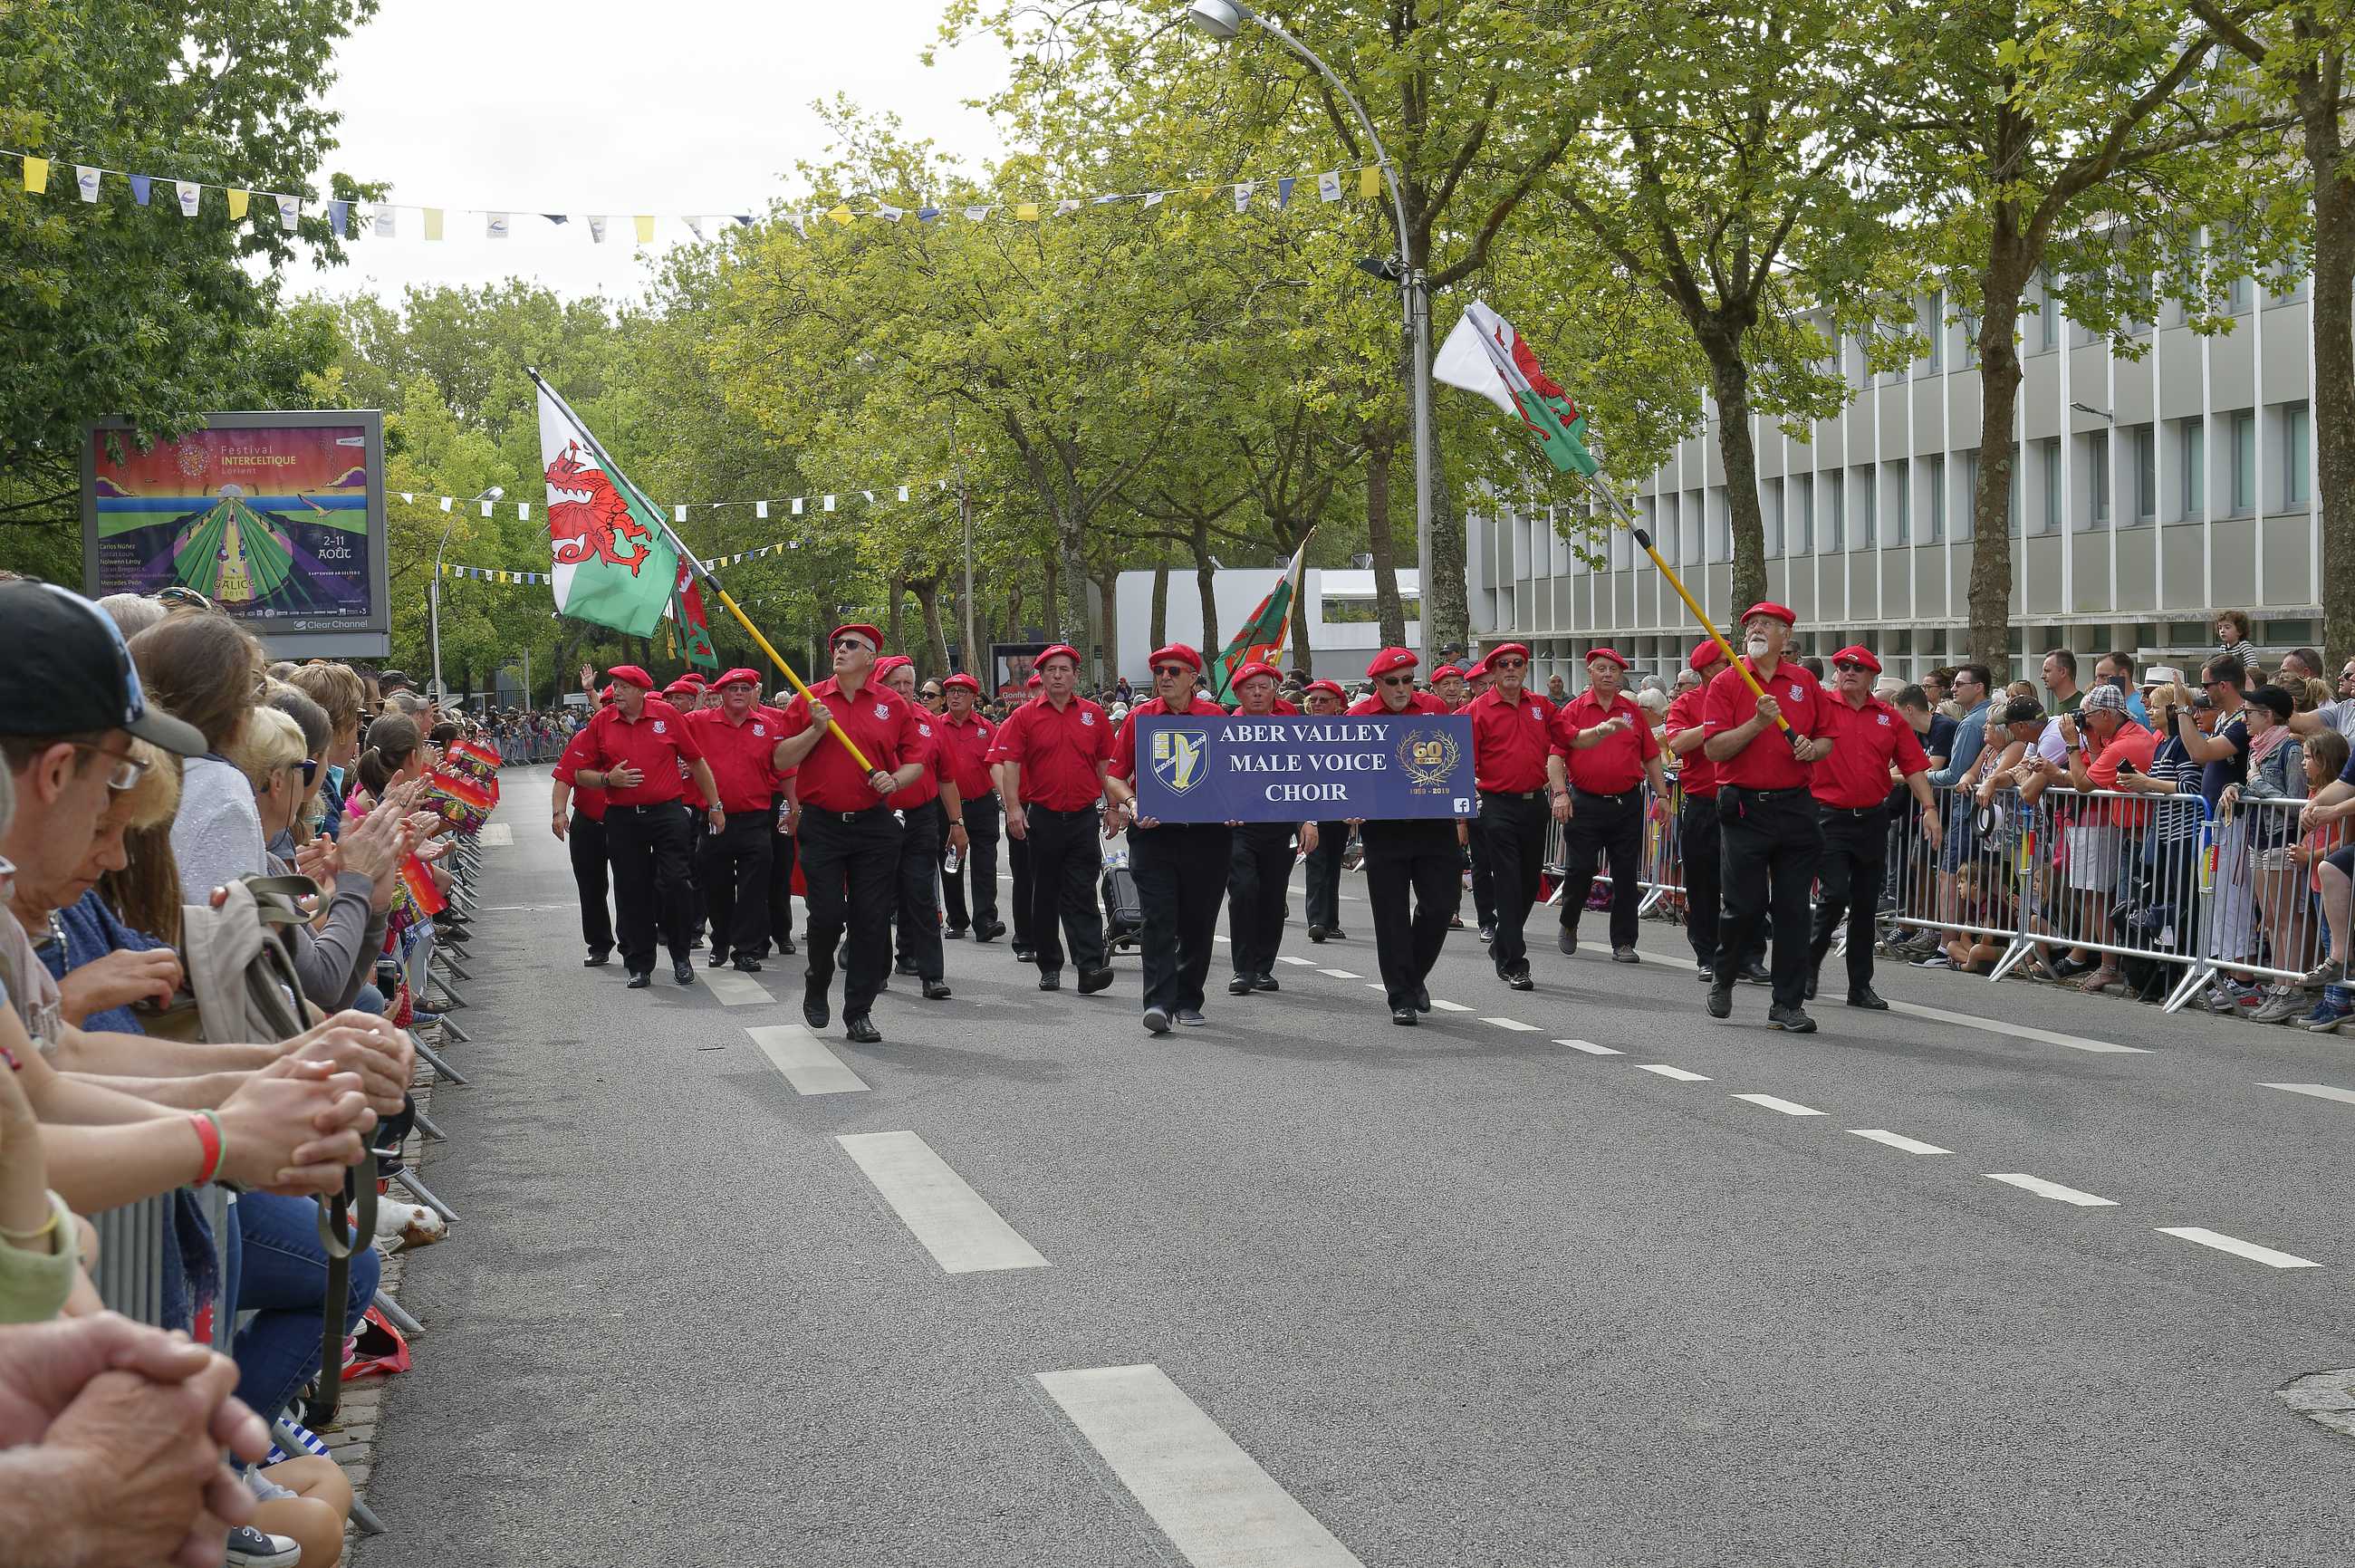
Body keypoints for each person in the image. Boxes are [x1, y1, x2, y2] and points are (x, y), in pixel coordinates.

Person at [772, 625, 926, 1043]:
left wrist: (895, 781)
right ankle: (817, 980)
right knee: (826, 917)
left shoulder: (892, 704)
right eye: (837, 645)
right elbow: (780, 758)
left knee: (870, 921)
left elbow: (916, 761)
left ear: (871, 657)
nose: (840, 650)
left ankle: (858, 1011)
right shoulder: (811, 699)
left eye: (851, 645)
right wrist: (815, 729)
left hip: (874, 825)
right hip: (822, 823)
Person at [1703, 602, 1834, 1031]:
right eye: (1750, 624)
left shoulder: (1803, 682)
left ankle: (1787, 1003)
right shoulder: (1726, 682)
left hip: (1796, 805)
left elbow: (1826, 736)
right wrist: (1758, 724)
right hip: (1744, 806)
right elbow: (1714, 749)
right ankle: (1724, 974)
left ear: (1784, 637)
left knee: (1795, 908)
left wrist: (1813, 749)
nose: (1755, 629)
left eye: (1765, 625)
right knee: (1744, 906)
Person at [1104, 644, 1231, 1033]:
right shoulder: (1139, 718)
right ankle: (1158, 1001)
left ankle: (1189, 998)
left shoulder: (1216, 718)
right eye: (1160, 670)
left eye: (1175, 671)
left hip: (1207, 837)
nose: (1165, 677)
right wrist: (1131, 800)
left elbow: (1238, 774)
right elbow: (1113, 774)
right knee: (1159, 919)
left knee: (1198, 920)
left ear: (1194, 677)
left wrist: (1237, 807)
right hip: (1153, 834)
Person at [571, 666, 721, 989]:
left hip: (667, 813)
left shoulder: (667, 715)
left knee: (676, 882)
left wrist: (715, 806)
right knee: (631, 889)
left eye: (624, 687)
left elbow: (696, 761)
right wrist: (609, 779)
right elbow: (580, 773)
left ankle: (681, 956)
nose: (617, 692)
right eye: (614, 686)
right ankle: (639, 963)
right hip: (623, 817)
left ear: (641, 690)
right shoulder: (602, 721)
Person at [1805, 645, 1938, 1009]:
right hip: (1827, 815)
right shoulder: (1819, 708)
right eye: (1843, 666)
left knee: (1865, 905)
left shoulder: (1889, 718)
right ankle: (1809, 962)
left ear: (1871, 677)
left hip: (1871, 818)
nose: (1849, 671)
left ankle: (1859, 986)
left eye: (1858, 668)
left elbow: (1912, 766)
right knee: (1834, 895)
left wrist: (1929, 807)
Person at [993, 645, 1117, 996]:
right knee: (1044, 894)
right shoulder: (1024, 716)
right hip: (1043, 818)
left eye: (1064, 669)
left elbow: (1105, 766)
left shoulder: (1094, 715)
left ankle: (1090, 965)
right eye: (1051, 670)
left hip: (1082, 818)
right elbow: (1011, 766)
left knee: (1081, 892)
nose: (1058, 676)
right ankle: (1049, 964)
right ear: (1042, 676)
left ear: (1076, 675)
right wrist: (1013, 809)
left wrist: (1112, 806)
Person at [1350, 649, 1462, 1025]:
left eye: (1408, 680)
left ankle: (1412, 976)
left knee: (1441, 905)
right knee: (1391, 914)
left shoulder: (1434, 708)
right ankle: (1400, 995)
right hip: (1384, 828)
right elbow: (1345, 770)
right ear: (1377, 684)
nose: (1402, 688)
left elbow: (1452, 759)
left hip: (1434, 823)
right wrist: (1349, 803)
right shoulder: (1358, 716)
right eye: (1393, 682)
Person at [1550, 647, 1668, 970]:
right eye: (1600, 668)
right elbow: (1556, 756)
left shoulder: (1632, 712)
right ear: (1589, 672)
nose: (1607, 674)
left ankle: (1625, 941)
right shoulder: (1573, 711)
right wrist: (1561, 793)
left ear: (1620, 676)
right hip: (1584, 803)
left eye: (1613, 670)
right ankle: (1570, 920)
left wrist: (1663, 796)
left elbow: (1652, 758)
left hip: (1626, 803)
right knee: (1580, 869)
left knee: (1626, 874)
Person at [1455, 642, 1553, 988]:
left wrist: (1599, 734)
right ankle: (1515, 961)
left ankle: (1502, 942)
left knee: (1529, 884)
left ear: (1525, 669)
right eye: (1504, 664)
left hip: (1535, 803)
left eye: (1517, 663)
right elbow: (1455, 754)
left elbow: (1567, 739)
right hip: (1497, 804)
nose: (1511, 669)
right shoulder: (1476, 711)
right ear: (1493, 671)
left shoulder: (1541, 706)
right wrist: (1462, 810)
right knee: (1509, 881)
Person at [1222, 661, 1313, 996]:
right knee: (1244, 892)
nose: (1258, 693)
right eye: (1250, 687)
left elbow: (1305, 775)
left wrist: (1308, 820)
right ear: (1238, 693)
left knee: (1273, 898)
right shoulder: (1222, 729)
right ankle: (1242, 969)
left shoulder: (1289, 726)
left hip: (1281, 824)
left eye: (1264, 686)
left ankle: (1263, 967)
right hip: (1239, 827)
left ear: (1274, 691)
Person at [874, 656, 960, 1001]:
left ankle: (932, 975)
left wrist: (957, 822)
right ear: (880, 685)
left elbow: (946, 777)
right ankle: (875, 970)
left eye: (908, 683)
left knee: (922, 894)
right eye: (895, 683)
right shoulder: (870, 721)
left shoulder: (930, 723)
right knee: (876, 897)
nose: (903, 690)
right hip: (878, 818)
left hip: (922, 818)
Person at [686, 669, 783, 975]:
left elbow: (785, 769)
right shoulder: (699, 722)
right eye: (733, 688)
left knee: (754, 889)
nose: (739, 693)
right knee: (717, 885)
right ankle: (721, 940)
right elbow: (667, 725)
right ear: (722, 693)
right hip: (716, 818)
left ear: (754, 692)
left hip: (756, 819)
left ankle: (746, 950)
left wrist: (794, 808)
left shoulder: (768, 726)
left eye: (745, 688)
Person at [934, 674, 1004, 943]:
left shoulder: (988, 728)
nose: (954, 696)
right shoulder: (937, 726)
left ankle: (985, 919)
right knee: (952, 864)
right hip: (948, 808)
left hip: (982, 804)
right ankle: (957, 919)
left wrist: (1008, 800)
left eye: (962, 692)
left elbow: (997, 764)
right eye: (951, 691)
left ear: (974, 697)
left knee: (985, 864)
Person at [550, 689, 616, 966]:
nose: (610, 710)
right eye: (607, 704)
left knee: (633, 886)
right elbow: (564, 778)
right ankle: (599, 944)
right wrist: (559, 813)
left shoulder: (640, 737)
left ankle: (636, 944)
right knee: (591, 887)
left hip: (627, 822)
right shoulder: (583, 738)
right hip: (588, 822)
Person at [1299, 679, 1353, 943]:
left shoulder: (1347, 733)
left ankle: (1331, 920)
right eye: (1313, 700)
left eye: (1324, 700)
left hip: (1339, 807)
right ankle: (1317, 920)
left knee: (1333, 863)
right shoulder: (1298, 732)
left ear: (1337, 705)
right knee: (1317, 861)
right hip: (1310, 807)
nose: (1317, 704)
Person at [1000, 671, 1046, 961]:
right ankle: (1026, 939)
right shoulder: (1017, 722)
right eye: (1039, 689)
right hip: (1026, 807)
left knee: (1063, 879)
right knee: (1026, 877)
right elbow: (998, 764)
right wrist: (1011, 806)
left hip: (1062, 809)